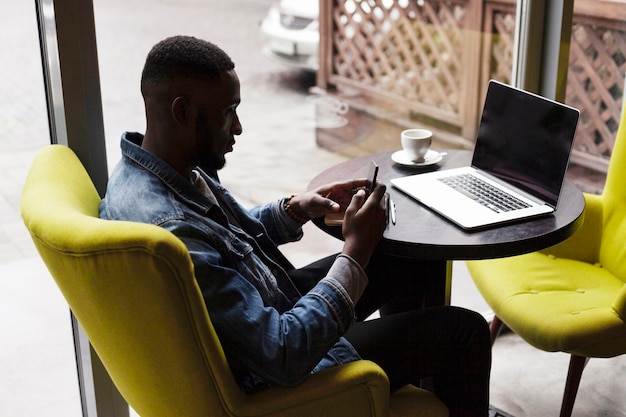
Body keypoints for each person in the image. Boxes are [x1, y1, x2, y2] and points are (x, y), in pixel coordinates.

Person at [100, 35, 491, 416]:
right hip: (282, 366)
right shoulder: (172, 225)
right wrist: (355, 250)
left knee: (406, 256)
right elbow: (282, 352)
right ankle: (384, 379)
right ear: (182, 111)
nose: (237, 127)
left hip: (264, 310)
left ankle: (407, 376)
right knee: (465, 330)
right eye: (227, 112)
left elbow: (224, 242)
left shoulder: (151, 172)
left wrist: (294, 209)